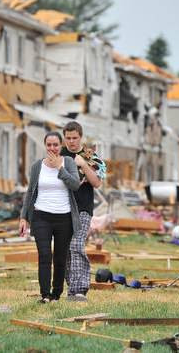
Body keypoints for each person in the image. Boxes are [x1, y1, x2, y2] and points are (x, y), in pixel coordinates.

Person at [19, 132, 80, 303]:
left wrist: (59, 168)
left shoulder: (68, 162)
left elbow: (75, 185)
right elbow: (30, 192)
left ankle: (56, 294)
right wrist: (24, 217)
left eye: (55, 145)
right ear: (45, 146)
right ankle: (45, 294)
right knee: (44, 255)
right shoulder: (37, 166)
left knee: (60, 257)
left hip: (64, 217)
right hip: (41, 216)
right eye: (49, 145)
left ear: (61, 146)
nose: (52, 148)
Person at [61, 122, 107, 302]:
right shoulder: (59, 155)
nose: (71, 142)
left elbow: (97, 183)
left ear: (81, 137)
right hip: (61, 209)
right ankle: (70, 287)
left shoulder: (90, 156)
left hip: (82, 209)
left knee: (76, 245)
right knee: (63, 250)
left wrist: (83, 165)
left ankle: (80, 289)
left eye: (75, 138)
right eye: (68, 138)